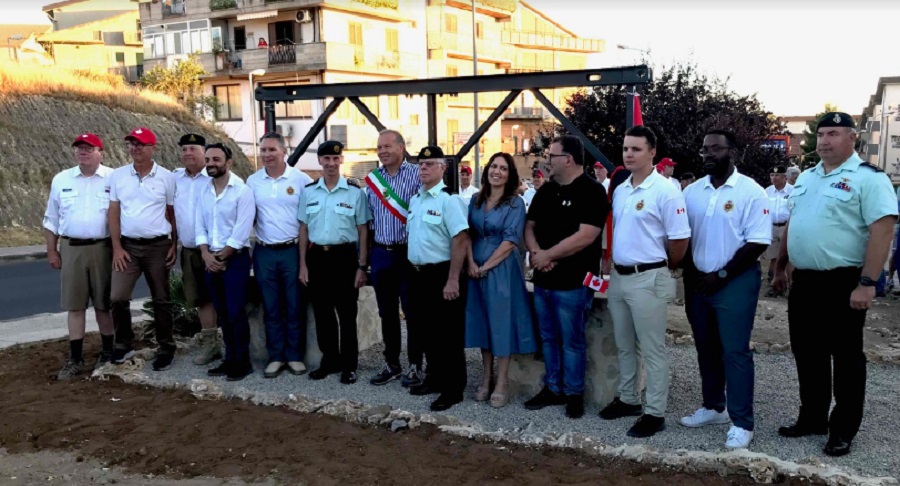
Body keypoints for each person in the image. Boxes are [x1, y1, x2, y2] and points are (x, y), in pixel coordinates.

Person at [773, 112, 898, 457]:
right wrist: (781, 266)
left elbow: (883, 230)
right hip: (806, 280)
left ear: (852, 139)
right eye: (822, 134)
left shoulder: (868, 179)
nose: (825, 140)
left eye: (834, 134)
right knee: (807, 353)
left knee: (845, 358)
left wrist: (868, 282)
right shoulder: (808, 177)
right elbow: (795, 223)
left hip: (844, 281)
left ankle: (842, 428)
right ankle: (812, 417)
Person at [680, 129, 772, 449]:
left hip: (735, 281)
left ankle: (742, 422)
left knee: (734, 352)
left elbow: (757, 242)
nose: (707, 154)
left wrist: (720, 275)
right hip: (698, 283)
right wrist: (691, 273)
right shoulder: (692, 192)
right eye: (704, 149)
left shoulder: (752, 192)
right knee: (706, 348)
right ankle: (713, 407)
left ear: (733, 153)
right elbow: (685, 236)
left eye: (715, 149)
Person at [600, 126, 690, 437]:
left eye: (636, 149)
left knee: (652, 348)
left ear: (652, 152)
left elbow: (679, 240)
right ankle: (628, 399)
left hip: (649, 277)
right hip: (621, 277)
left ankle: (655, 411)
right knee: (625, 345)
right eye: (626, 148)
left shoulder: (666, 191)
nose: (628, 154)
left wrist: (663, 267)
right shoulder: (622, 188)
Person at [523, 135, 608, 419]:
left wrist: (548, 256)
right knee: (548, 337)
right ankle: (553, 388)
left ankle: (574, 393)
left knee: (572, 341)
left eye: (552, 156)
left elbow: (586, 236)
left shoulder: (592, 191)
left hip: (573, 282)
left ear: (568, 159)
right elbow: (529, 226)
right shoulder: (546, 191)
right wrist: (537, 253)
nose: (548, 161)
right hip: (544, 281)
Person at [465, 152, 536, 408]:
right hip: (475, 269)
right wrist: (471, 263)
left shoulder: (515, 203)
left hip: (501, 270)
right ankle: (486, 375)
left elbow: (510, 241)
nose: (497, 171)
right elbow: (467, 234)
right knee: (482, 322)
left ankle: (502, 380)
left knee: (501, 322)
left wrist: (486, 267)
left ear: (510, 174)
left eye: (503, 168)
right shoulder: (475, 199)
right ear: (486, 171)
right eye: (493, 166)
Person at [43, 133, 116, 379]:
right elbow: (51, 219)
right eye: (79, 148)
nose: (82, 152)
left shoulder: (113, 178)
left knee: (104, 304)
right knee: (75, 306)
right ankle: (75, 358)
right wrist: (52, 250)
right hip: (71, 248)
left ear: (100, 152)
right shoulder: (61, 179)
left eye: (88, 148)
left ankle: (108, 352)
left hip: (103, 248)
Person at [299, 141, 370, 385]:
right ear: (319, 161)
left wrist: (362, 266)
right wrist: (303, 265)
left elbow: (362, 230)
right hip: (317, 258)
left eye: (335, 159)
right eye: (326, 158)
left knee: (347, 315)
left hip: (345, 259)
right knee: (323, 314)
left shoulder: (354, 192)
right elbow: (304, 229)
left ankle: (349, 366)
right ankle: (329, 361)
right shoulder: (309, 192)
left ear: (342, 161)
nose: (330, 163)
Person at [406, 145, 470, 411]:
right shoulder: (416, 200)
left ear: (443, 169)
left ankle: (453, 389)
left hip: (443, 273)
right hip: (419, 274)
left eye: (430, 164)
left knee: (449, 335)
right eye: (421, 164)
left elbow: (461, 239)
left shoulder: (449, 200)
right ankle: (434, 379)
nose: (424, 168)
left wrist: (453, 279)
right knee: (425, 331)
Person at [108, 127, 178, 371]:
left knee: (161, 298)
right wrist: (116, 247)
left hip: (158, 245)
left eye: (140, 144)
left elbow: (172, 213)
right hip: (128, 246)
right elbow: (114, 212)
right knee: (117, 296)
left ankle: (166, 347)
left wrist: (174, 244)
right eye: (131, 144)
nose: (135, 148)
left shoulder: (167, 177)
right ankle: (123, 344)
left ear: (152, 148)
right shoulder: (118, 176)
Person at [246, 132, 313, 379]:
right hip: (264, 250)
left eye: (272, 150)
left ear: (284, 151)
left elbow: (307, 219)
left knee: (294, 305)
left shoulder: (301, 179)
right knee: (271, 307)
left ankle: (294, 356)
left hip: (292, 251)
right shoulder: (252, 182)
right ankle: (276, 357)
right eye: (263, 150)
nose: (266, 154)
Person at [366, 130, 424, 387]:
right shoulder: (372, 180)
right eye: (379, 147)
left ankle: (415, 365)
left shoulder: (416, 174)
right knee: (386, 313)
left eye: (388, 146)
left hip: (406, 254)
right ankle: (391, 364)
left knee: (413, 312)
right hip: (380, 252)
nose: (382, 151)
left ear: (402, 147)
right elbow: (367, 222)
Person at [195, 143, 256, 381]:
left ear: (228, 163)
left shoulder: (242, 191)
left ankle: (242, 361)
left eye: (216, 159)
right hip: (211, 259)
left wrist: (221, 257)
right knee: (221, 312)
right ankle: (229, 359)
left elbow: (242, 230)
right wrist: (206, 255)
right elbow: (199, 225)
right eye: (208, 159)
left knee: (235, 311)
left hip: (235, 259)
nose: (211, 163)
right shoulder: (204, 191)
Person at [173, 133, 221, 366]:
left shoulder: (216, 177)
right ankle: (211, 346)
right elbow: (170, 215)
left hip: (218, 250)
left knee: (225, 298)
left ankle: (235, 345)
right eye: (184, 150)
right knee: (202, 300)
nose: (188, 153)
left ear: (204, 151)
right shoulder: (175, 180)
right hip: (190, 250)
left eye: (193, 148)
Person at [763, 165, 793, 296]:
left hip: (787, 227)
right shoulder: (767, 191)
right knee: (773, 257)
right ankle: (775, 286)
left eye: (777, 175)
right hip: (772, 227)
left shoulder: (793, 191)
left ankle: (791, 286)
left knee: (789, 258)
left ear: (785, 177)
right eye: (772, 175)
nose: (774, 178)